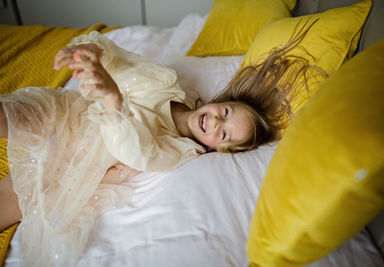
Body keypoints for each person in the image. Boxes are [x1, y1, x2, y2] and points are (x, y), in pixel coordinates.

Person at [0, 22, 318, 266]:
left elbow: (138, 154)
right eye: (224, 113)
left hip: (78, 163)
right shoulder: (165, 83)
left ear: (219, 150)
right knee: (22, 111)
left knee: (19, 197)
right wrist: (87, 54)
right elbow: (118, 59)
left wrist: (113, 101)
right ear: (221, 101)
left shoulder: (182, 150)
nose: (215, 123)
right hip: (70, 113)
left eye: (223, 135)